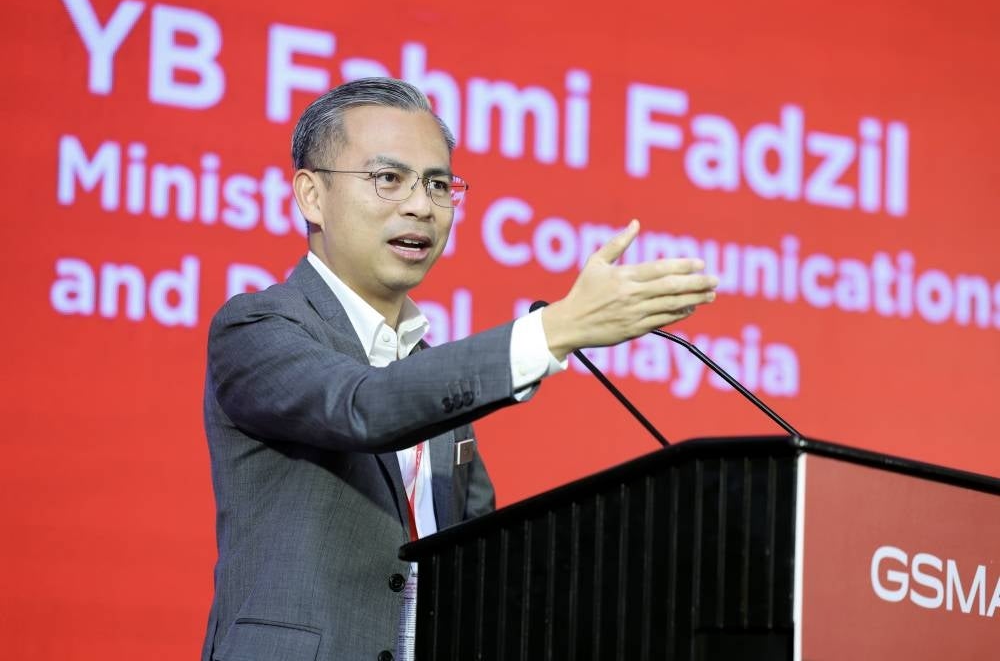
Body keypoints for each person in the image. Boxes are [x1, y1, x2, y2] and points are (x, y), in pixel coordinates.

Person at [201, 77, 718, 661]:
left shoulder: (431, 375)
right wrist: (560, 329)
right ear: (311, 196)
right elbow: (363, 407)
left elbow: (489, 556)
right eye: (388, 179)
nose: (421, 204)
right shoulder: (256, 328)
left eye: (439, 183)